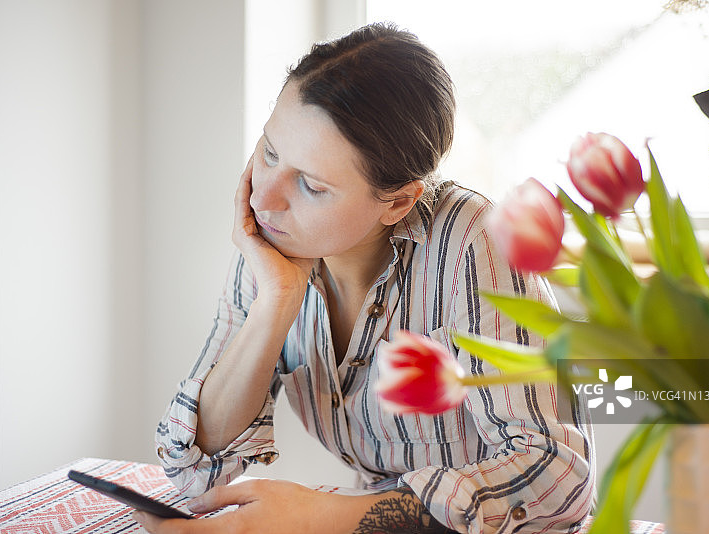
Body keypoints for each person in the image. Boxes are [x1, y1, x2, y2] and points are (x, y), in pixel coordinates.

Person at [138, 22, 595, 534]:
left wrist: (323, 517)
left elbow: (559, 479)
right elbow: (195, 468)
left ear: (398, 201)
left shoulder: (475, 243)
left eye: (311, 185)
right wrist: (275, 302)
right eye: (269, 152)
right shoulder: (277, 237)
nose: (263, 199)